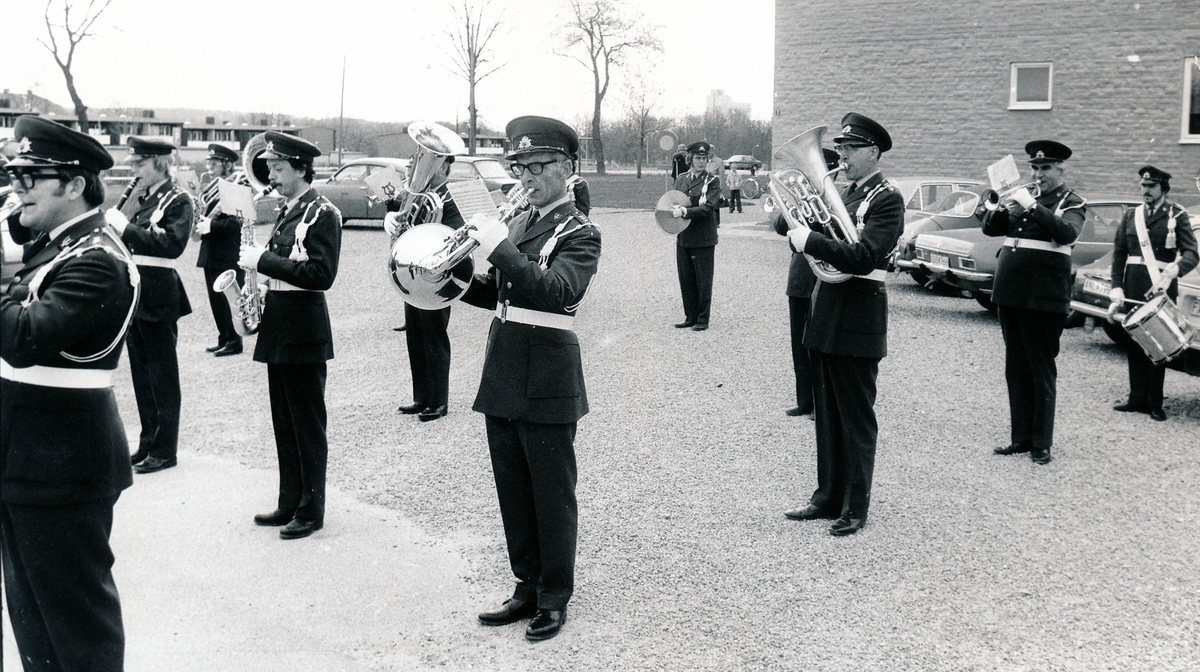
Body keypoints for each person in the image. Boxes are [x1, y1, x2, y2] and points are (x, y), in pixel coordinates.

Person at [1, 114, 139, 671]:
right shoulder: (58, 245)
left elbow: (23, 338)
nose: (17, 185)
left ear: (76, 183)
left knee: (78, 630)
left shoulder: (98, 259)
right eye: (14, 173)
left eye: (32, 175)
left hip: (63, 462)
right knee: (34, 622)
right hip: (26, 457)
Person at [462, 115, 601, 642]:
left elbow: (555, 291)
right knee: (513, 490)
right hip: (504, 366)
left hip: (548, 371)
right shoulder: (517, 225)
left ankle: (553, 596)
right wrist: (445, 278)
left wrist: (498, 245)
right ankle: (525, 585)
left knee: (551, 493)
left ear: (566, 168)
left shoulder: (581, 233)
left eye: (539, 166)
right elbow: (496, 294)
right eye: (520, 166)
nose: (527, 176)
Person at [783, 114, 903, 536]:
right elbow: (806, 231)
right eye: (841, 148)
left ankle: (856, 505)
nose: (843, 156)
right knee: (828, 415)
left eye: (851, 149)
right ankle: (827, 496)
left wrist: (811, 241)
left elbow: (864, 256)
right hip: (828, 308)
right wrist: (799, 221)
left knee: (854, 417)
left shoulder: (887, 199)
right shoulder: (844, 193)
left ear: (873, 151)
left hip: (859, 313)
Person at [240, 132, 342, 540]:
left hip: (303, 327)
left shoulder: (323, 213)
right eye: (270, 168)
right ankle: (289, 500)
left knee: (306, 425)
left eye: (279, 168)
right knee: (284, 421)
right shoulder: (290, 209)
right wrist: (263, 285)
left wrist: (263, 261)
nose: (272, 175)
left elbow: (322, 275)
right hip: (281, 322)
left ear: (301, 168)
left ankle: (311, 509)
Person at [983, 141, 1086, 465]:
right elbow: (991, 230)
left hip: (1043, 297)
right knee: (1015, 367)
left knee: (1040, 368)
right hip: (1011, 292)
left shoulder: (1072, 202)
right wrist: (996, 207)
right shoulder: (1024, 197)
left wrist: (1030, 205)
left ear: (1060, 170)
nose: (1038, 174)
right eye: (1035, 168)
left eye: (1045, 168)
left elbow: (1067, 233)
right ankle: (1021, 438)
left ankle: (1042, 442)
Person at [110, 136, 193, 474]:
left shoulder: (179, 200)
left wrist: (125, 228)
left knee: (162, 376)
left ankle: (165, 449)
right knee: (142, 375)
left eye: (139, 164)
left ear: (160, 163)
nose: (134, 170)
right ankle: (147, 443)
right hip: (136, 292)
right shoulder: (142, 198)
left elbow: (172, 245)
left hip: (159, 294)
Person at [1107, 166, 1197, 421]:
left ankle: (1154, 402)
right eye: (1143, 186)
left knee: (1159, 343)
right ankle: (1136, 399)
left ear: (1163, 189)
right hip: (1133, 285)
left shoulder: (1177, 215)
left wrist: (1176, 269)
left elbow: (1192, 252)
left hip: (1161, 286)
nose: (1146, 191)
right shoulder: (1131, 215)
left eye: (1151, 186)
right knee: (1135, 342)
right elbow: (1119, 253)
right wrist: (1116, 285)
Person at [387, 155, 464, 422]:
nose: (421, 171)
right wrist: (395, 221)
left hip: (437, 277)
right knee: (416, 336)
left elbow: (454, 234)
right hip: (413, 273)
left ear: (443, 168)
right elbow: (406, 227)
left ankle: (439, 401)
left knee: (434, 336)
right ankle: (421, 396)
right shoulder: (420, 196)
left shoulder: (451, 198)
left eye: (430, 165)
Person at [774, 148, 841, 418]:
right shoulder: (805, 198)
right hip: (801, 276)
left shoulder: (841, 198)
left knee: (820, 343)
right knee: (799, 342)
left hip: (826, 278)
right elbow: (781, 226)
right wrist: (793, 206)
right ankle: (805, 401)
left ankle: (822, 403)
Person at [196, 143, 251, 357]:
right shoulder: (212, 186)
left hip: (228, 250)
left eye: (214, 163)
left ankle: (235, 341)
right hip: (211, 249)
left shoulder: (239, 183)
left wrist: (212, 226)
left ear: (227, 165)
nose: (210, 167)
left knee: (229, 299)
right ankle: (224, 338)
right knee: (216, 301)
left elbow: (239, 221)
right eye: (209, 162)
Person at [669, 141, 722, 331]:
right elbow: (673, 199)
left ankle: (702, 319)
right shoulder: (681, 179)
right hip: (684, 236)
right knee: (686, 278)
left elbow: (708, 208)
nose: (701, 162)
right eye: (698, 158)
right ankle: (690, 316)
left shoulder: (712, 181)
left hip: (703, 238)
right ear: (690, 159)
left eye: (704, 158)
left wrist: (685, 211)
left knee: (703, 279)